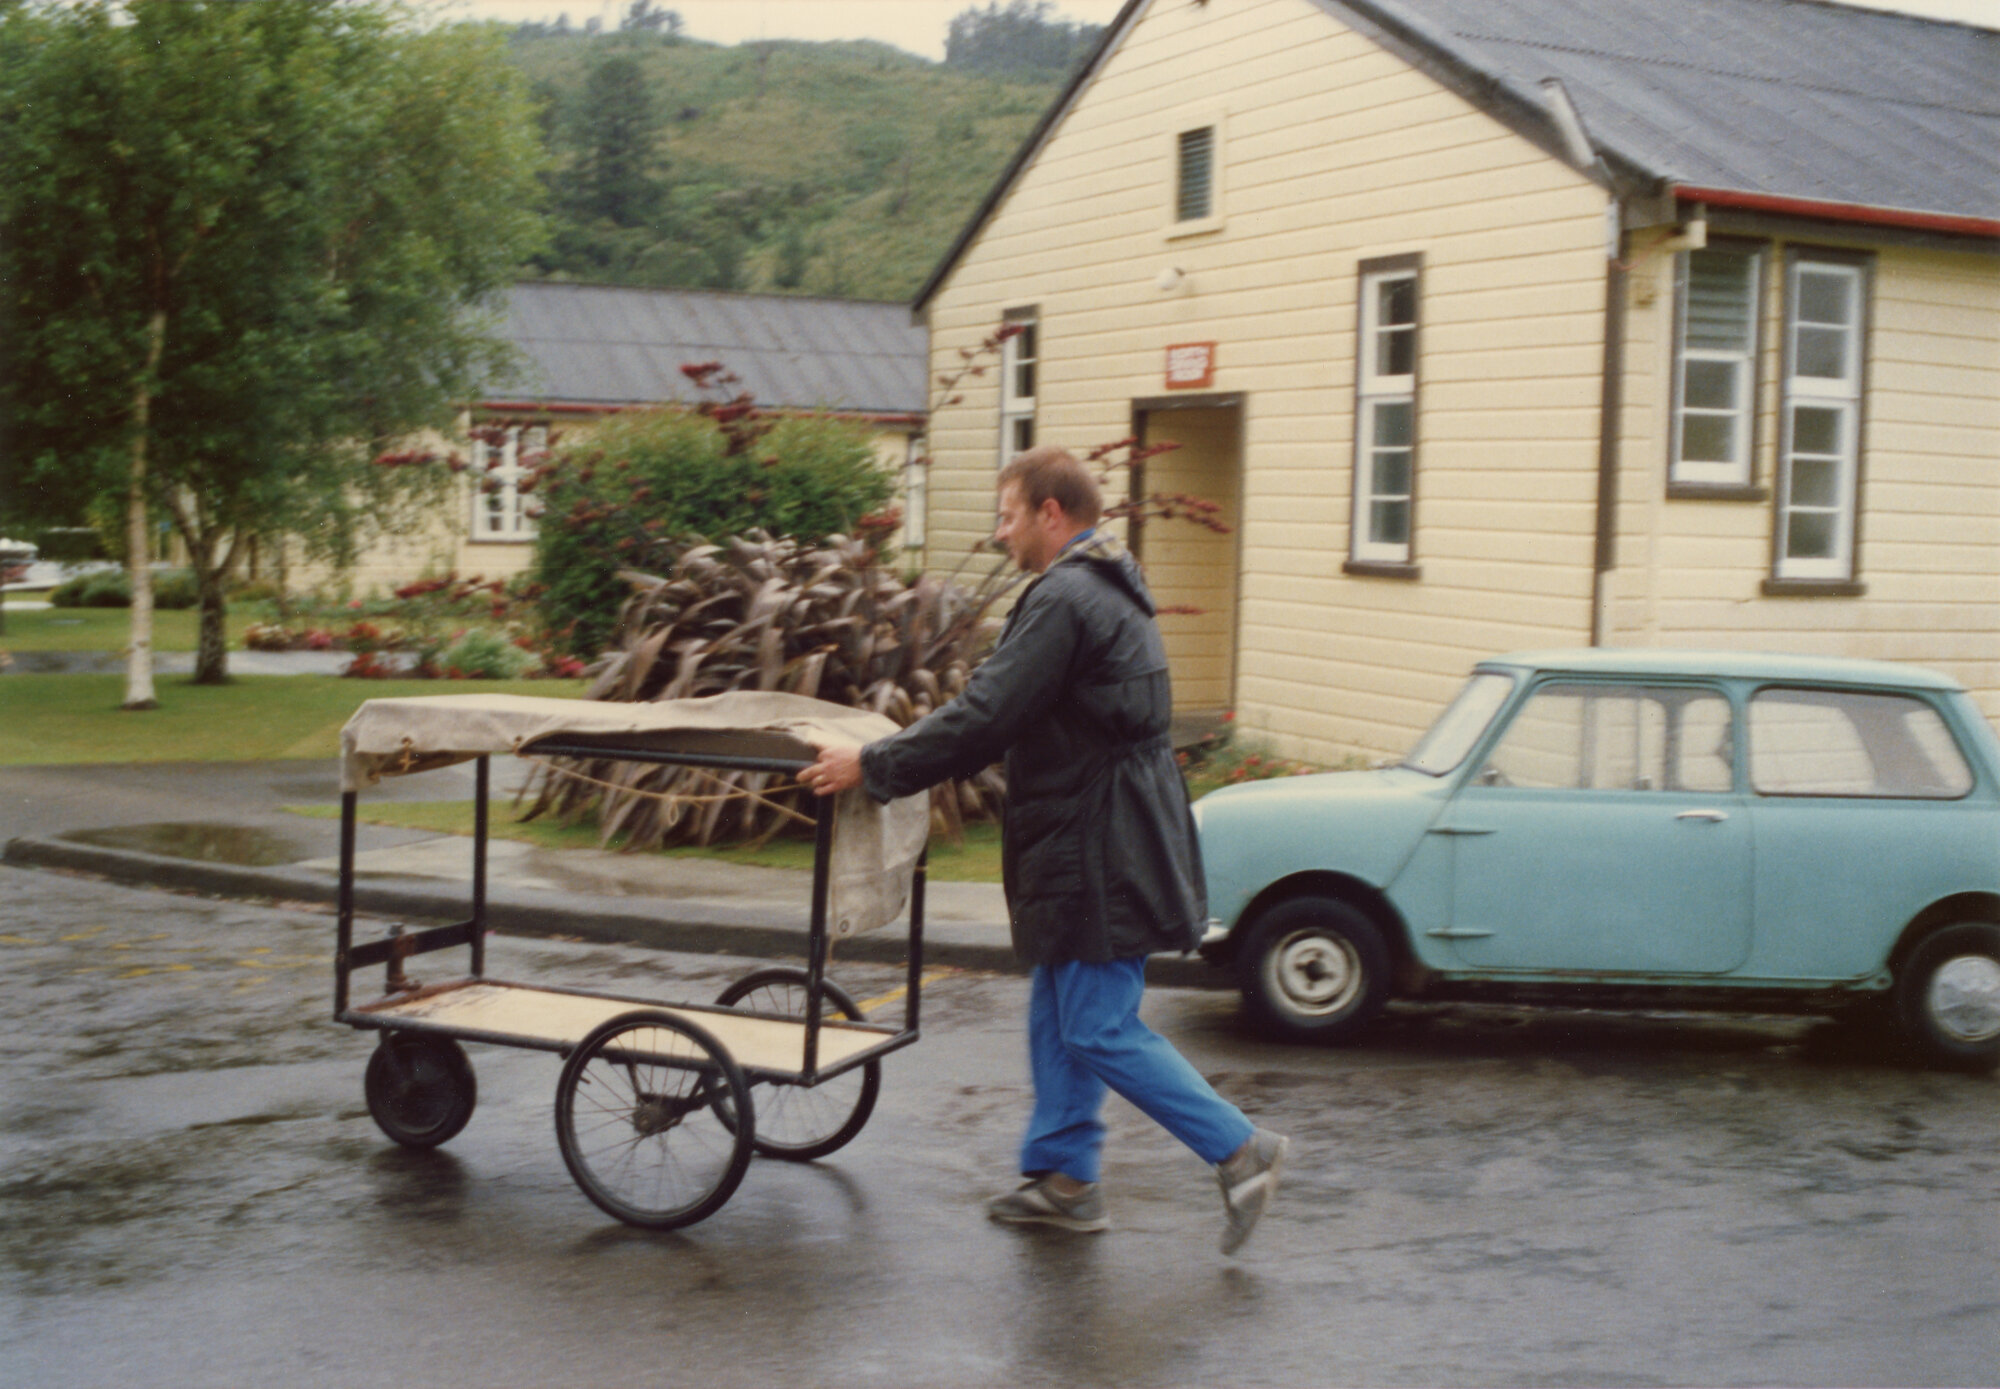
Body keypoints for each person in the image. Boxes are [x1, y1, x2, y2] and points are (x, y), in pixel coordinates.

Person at [800, 445, 1289, 1255]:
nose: (999, 533)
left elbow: (988, 712)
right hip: (1092, 835)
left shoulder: (1067, 596)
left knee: (1096, 1024)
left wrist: (873, 764)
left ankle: (1242, 1149)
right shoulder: (1100, 586)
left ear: (1049, 514)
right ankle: (1065, 1181)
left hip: (1102, 843)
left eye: (1006, 515)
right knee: (1060, 1011)